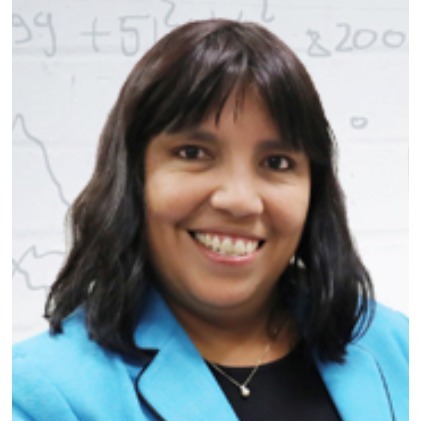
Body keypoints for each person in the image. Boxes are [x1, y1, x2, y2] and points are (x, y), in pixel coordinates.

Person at [12, 19, 408, 421]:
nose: (239, 201)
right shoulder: (39, 396)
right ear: (134, 176)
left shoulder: (400, 348)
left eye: (276, 162)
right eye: (193, 153)